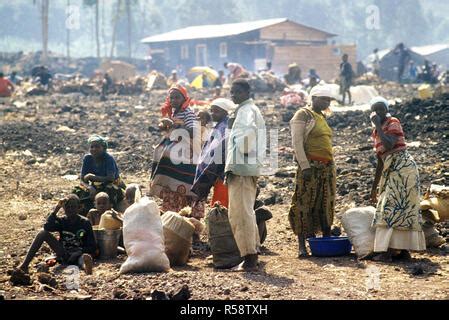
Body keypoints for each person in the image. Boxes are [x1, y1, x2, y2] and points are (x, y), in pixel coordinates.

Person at [369, 97, 426, 262]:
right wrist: (374, 189)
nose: (378, 113)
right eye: (375, 110)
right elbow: (381, 162)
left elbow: (389, 145)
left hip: (404, 169)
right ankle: (399, 251)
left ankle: (392, 252)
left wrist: (378, 125)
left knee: (400, 208)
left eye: (381, 109)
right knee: (393, 207)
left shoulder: (393, 122)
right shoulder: (375, 133)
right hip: (391, 170)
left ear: (386, 110)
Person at [289, 85, 337, 257]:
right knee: (304, 203)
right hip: (310, 166)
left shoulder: (322, 116)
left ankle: (326, 240)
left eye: (328, 100)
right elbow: (297, 142)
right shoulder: (303, 115)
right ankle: (302, 245)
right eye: (323, 99)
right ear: (313, 98)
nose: (326, 102)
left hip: (327, 168)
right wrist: (305, 166)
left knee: (326, 203)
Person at [224, 79, 266, 271]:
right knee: (246, 211)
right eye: (231, 92)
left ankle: (249, 258)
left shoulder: (246, 111)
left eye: (237, 92)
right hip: (246, 167)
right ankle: (253, 251)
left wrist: (243, 149)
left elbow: (248, 135)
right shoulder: (246, 109)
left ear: (247, 92)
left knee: (240, 214)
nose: (233, 95)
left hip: (242, 168)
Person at [150, 85, 204, 219]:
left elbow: (193, 131)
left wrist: (175, 125)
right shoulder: (173, 112)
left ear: (184, 98)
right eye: (171, 97)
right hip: (175, 145)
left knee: (182, 180)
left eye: (177, 97)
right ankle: (173, 208)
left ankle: (187, 211)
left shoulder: (188, 112)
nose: (174, 100)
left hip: (186, 149)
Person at [15, 195, 96, 275]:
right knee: (42, 233)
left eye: (73, 207)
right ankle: (24, 265)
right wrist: (56, 209)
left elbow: (92, 246)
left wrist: (78, 252)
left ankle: (86, 268)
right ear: (64, 209)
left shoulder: (85, 222)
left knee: (83, 259)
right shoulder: (62, 221)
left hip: (78, 253)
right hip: (63, 252)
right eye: (68, 207)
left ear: (79, 208)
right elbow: (47, 227)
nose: (70, 209)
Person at [192, 98, 236, 208]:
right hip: (218, 172)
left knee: (221, 205)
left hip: (222, 172)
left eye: (216, 111)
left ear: (225, 112)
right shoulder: (219, 126)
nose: (213, 114)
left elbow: (218, 152)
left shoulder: (224, 127)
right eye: (211, 111)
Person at [73, 134, 125, 215]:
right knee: (78, 192)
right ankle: (83, 215)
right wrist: (89, 187)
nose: (94, 149)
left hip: (112, 184)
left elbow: (110, 178)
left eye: (97, 147)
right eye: (92, 147)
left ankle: (110, 214)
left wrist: (92, 177)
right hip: (95, 185)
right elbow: (82, 180)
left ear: (103, 148)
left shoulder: (108, 158)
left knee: (107, 193)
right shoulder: (87, 158)